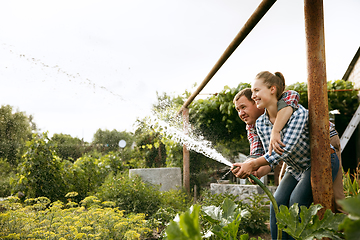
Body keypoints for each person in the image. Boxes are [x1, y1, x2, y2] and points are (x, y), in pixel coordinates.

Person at [232, 71, 340, 240]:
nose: (254, 96)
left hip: (320, 158)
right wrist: (256, 169)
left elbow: (285, 149)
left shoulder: (295, 111)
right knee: (278, 202)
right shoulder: (259, 123)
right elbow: (268, 154)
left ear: (272, 89)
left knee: (298, 201)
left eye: (255, 92)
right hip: (296, 166)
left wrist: (253, 165)